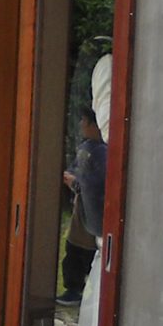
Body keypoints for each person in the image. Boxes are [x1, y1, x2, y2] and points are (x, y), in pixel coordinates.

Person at [56, 108, 106, 307]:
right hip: (81, 207)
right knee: (73, 248)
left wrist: (76, 183)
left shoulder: (102, 152)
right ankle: (73, 288)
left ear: (95, 125)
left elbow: (97, 183)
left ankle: (80, 290)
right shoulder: (86, 147)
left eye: (84, 121)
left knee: (85, 250)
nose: (81, 125)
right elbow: (75, 169)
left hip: (94, 208)